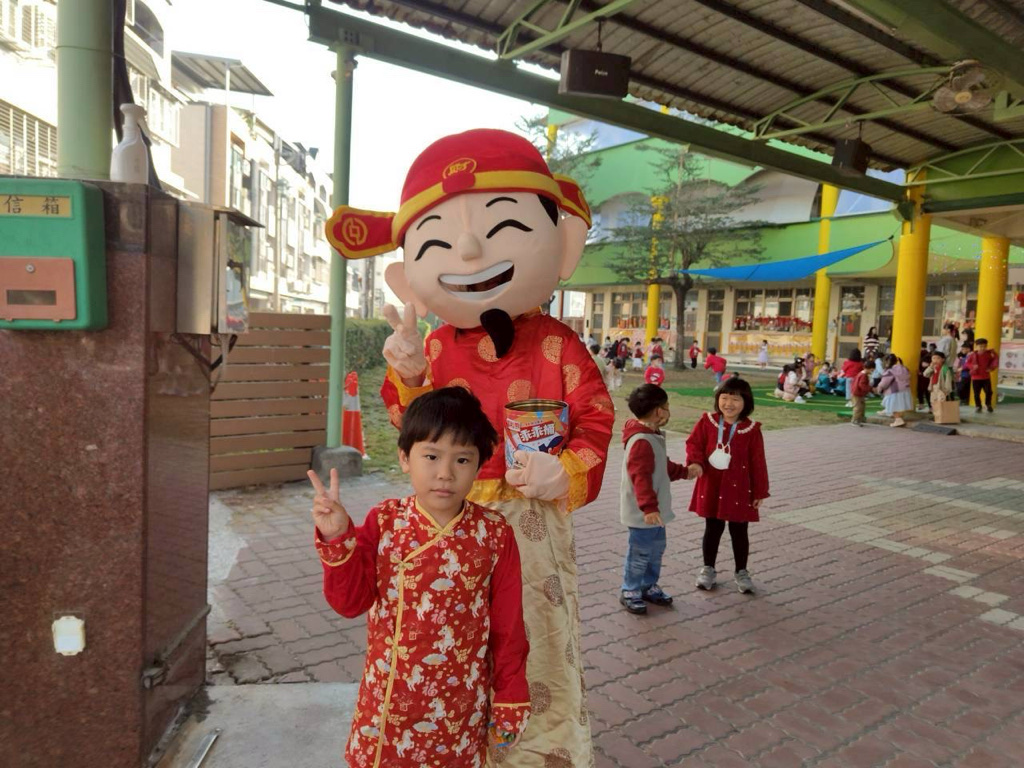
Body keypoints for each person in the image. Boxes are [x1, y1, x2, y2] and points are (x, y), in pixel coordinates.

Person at [329, 128, 615, 765]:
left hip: (529, 519)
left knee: (532, 641)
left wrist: (565, 469)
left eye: (504, 226)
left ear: (563, 245)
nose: (467, 249)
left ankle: (537, 754)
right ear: (406, 277)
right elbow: (413, 425)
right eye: (438, 240)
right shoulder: (431, 345)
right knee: (443, 640)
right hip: (445, 514)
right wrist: (407, 375)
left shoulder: (559, 345)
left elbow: (596, 417)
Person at [308, 388, 530, 767]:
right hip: (388, 704)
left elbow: (508, 628)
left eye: (462, 459)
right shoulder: (384, 522)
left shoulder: (495, 534)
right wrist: (337, 537)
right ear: (404, 458)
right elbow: (349, 603)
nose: (445, 473)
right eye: (431, 456)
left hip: (460, 707)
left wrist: (510, 698)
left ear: (479, 466)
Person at [685, 377, 769, 595]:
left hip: (740, 489)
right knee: (712, 528)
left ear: (746, 402)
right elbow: (693, 444)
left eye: (735, 399)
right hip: (712, 484)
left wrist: (760, 491)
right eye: (724, 398)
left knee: (739, 530)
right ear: (717, 399)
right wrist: (695, 463)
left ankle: (742, 571)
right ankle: (708, 569)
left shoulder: (751, 430)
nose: (729, 404)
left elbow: (758, 461)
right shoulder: (707, 422)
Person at [619, 384, 692, 614]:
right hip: (644, 513)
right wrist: (649, 508)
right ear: (659, 411)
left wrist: (684, 472)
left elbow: (661, 464)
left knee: (655, 550)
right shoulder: (642, 440)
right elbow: (640, 477)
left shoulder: (652, 435)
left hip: (654, 512)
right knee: (640, 553)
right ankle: (630, 589)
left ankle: (648, 585)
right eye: (667, 406)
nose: (669, 411)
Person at [876, 353, 913, 428]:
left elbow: (884, 382)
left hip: (894, 391)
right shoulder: (904, 368)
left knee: (893, 406)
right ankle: (888, 411)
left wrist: (879, 388)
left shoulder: (890, 371)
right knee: (898, 405)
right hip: (905, 390)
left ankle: (898, 420)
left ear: (887, 362)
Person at [966, 338, 999, 413]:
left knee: (989, 392)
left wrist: (991, 368)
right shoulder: (972, 355)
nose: (982, 348)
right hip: (976, 377)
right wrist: (972, 366)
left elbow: (994, 361)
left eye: (984, 346)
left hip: (986, 377)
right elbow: (967, 363)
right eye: (980, 346)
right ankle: (978, 406)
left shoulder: (988, 354)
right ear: (976, 346)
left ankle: (988, 404)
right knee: (976, 393)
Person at [924, 350, 954, 416]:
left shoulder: (945, 368)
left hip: (941, 388)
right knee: (933, 401)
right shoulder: (932, 368)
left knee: (941, 402)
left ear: (943, 359)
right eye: (933, 358)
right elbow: (925, 374)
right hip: (933, 387)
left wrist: (947, 390)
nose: (935, 360)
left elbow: (948, 380)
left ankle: (941, 416)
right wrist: (930, 367)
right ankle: (937, 416)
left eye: (938, 358)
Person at [849, 359, 872, 427]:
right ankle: (855, 420)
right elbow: (862, 385)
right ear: (868, 368)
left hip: (858, 393)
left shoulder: (861, 373)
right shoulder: (863, 375)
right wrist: (869, 389)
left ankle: (860, 419)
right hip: (857, 393)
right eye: (871, 370)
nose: (872, 372)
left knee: (862, 406)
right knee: (858, 407)